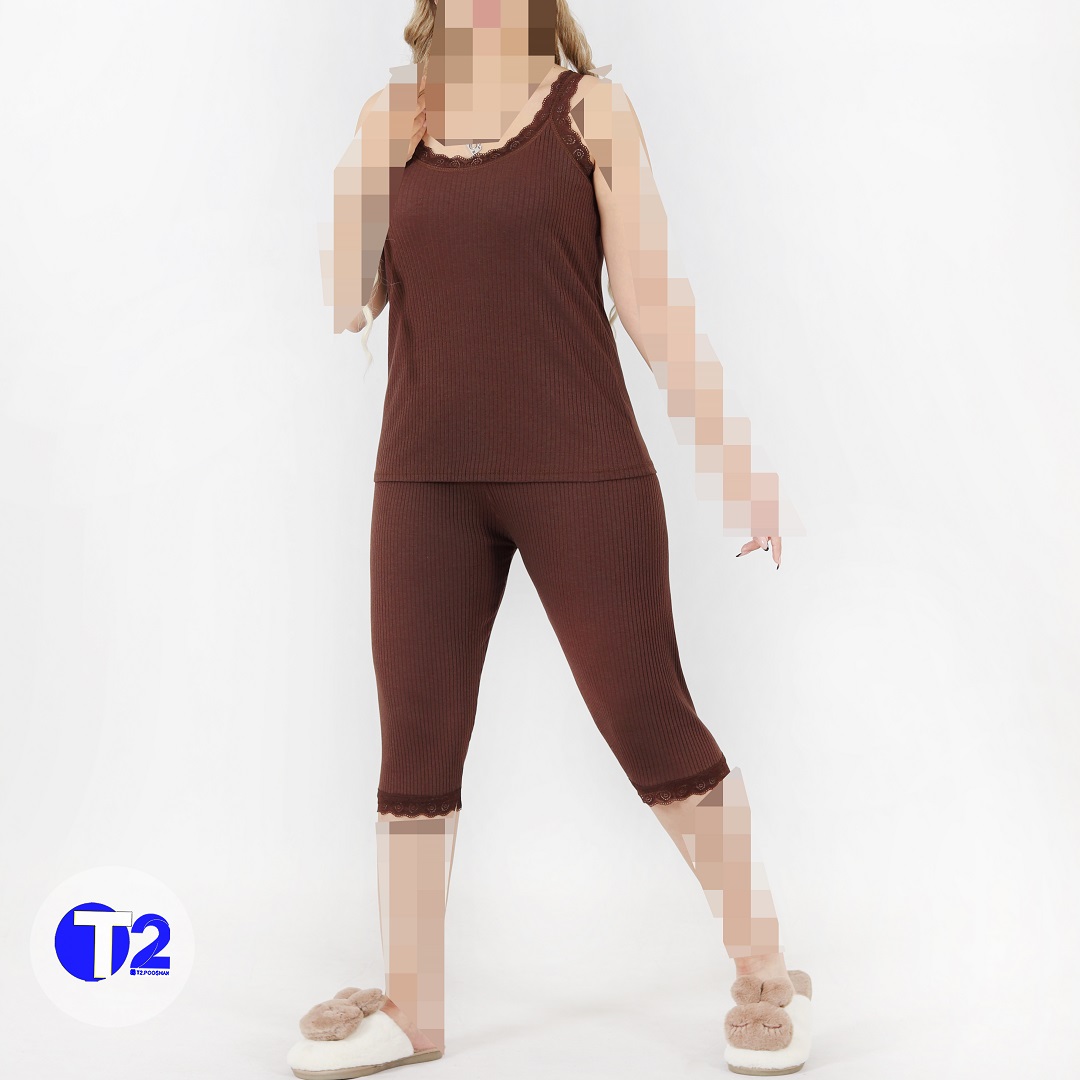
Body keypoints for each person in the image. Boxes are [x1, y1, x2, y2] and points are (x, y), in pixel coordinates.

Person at [288, 2, 810, 1076]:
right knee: (414, 750)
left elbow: (653, 305)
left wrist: (735, 460)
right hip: (425, 481)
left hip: (584, 473)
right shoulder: (393, 116)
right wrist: (362, 167)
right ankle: (413, 1011)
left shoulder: (591, 113)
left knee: (650, 721)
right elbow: (348, 303)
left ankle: (766, 970)